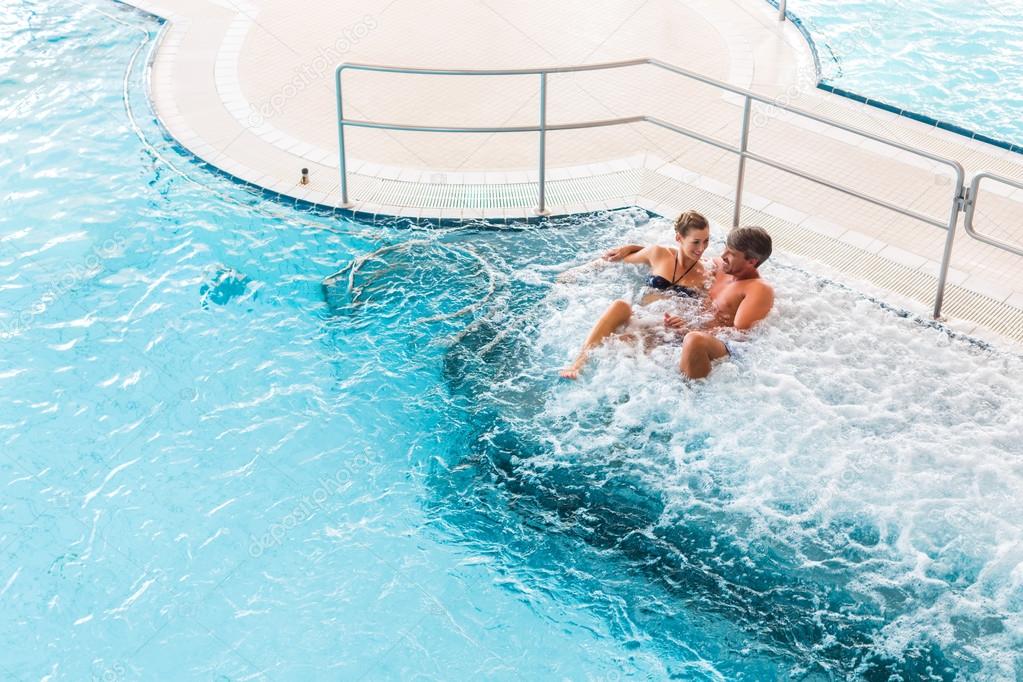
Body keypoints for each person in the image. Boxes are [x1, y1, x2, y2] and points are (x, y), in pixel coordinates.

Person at [559, 211, 711, 379]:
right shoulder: (659, 254)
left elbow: (703, 316)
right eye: (696, 242)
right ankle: (579, 363)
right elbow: (618, 260)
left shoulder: (704, 275)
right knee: (620, 305)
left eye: (706, 241)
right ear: (679, 238)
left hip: (664, 329)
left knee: (622, 346)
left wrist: (683, 323)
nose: (701, 248)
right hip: (641, 316)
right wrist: (581, 271)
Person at [665, 225, 774, 379]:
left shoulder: (758, 288)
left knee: (694, 340)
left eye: (732, 254)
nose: (723, 255)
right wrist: (634, 249)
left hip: (721, 346)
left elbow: (741, 336)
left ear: (751, 262)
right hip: (691, 329)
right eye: (726, 248)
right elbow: (681, 257)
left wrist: (688, 330)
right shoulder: (721, 267)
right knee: (639, 328)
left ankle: (688, 395)